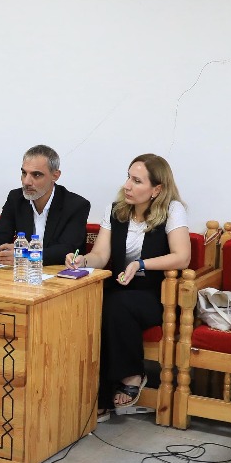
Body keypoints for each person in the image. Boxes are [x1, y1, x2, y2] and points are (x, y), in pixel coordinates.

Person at [67, 154, 190, 414]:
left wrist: (141, 264)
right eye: (128, 177)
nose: (127, 186)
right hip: (121, 286)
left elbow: (182, 256)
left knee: (115, 305)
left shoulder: (172, 210)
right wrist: (82, 260)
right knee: (90, 303)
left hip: (155, 293)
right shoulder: (116, 210)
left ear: (157, 189)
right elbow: (101, 255)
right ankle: (91, 395)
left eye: (137, 181)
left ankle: (132, 375)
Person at [0, 144, 91, 267]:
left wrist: (27, 255)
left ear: (55, 175)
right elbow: (1, 235)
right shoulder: (16, 198)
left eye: (36, 175)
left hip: (59, 273)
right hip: (22, 274)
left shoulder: (76, 205)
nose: (26, 182)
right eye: (24, 173)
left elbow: (67, 250)